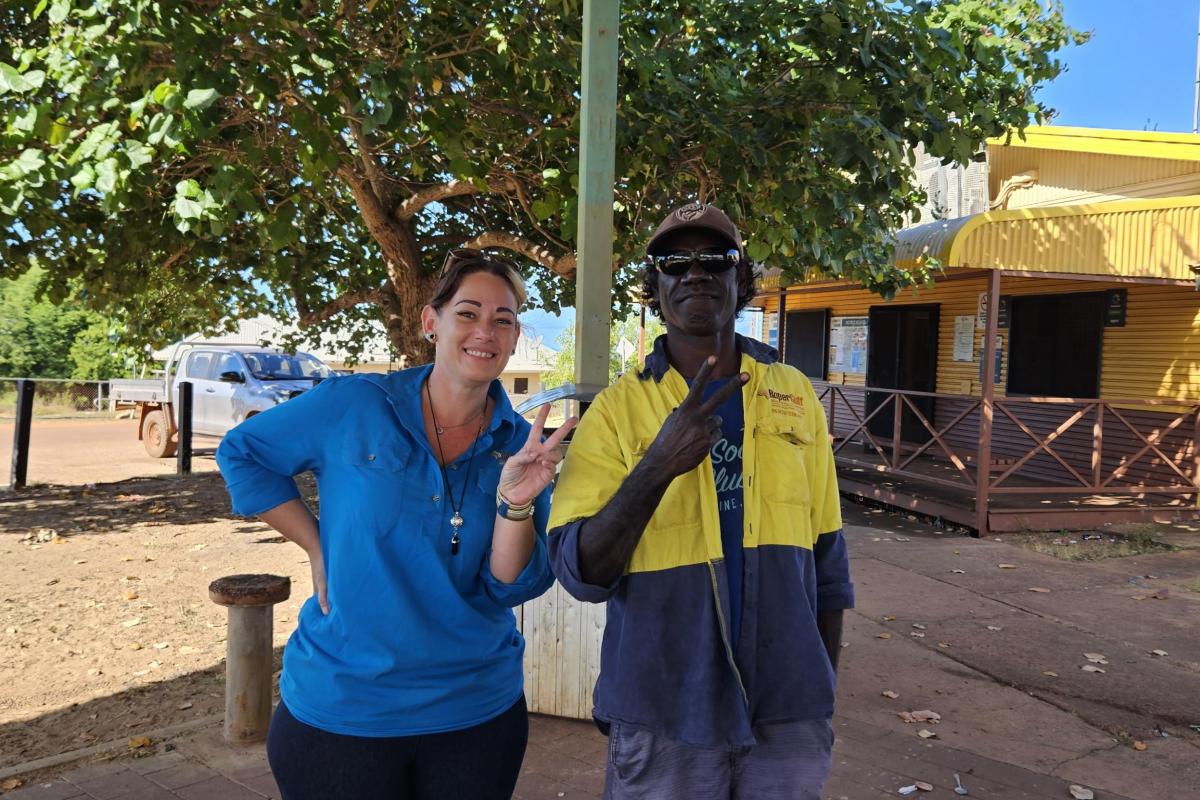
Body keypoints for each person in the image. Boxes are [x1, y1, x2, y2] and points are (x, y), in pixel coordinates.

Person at [216, 249, 576, 800]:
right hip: (344, 708)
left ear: (514, 336)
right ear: (432, 323)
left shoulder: (517, 445)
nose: (486, 330)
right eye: (468, 312)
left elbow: (509, 586)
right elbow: (244, 452)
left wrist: (516, 504)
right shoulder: (356, 404)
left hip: (474, 712)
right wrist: (316, 546)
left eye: (503, 319)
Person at [548, 202, 854, 800]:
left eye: (715, 259)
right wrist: (656, 466)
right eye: (673, 261)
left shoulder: (794, 396)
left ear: (741, 281)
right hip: (663, 708)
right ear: (654, 286)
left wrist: (820, 688)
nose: (695, 273)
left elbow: (828, 564)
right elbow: (580, 572)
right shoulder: (615, 411)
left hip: (788, 711)